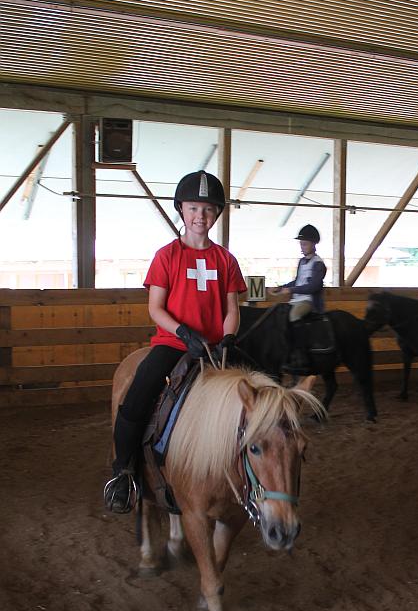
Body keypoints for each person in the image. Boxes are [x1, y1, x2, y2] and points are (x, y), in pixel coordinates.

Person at [103, 170, 247, 514]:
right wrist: (183, 333)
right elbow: (155, 307)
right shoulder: (166, 256)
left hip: (214, 348)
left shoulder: (226, 260)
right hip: (173, 343)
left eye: (208, 209)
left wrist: (228, 337)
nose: (200, 216)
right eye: (194, 208)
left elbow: (231, 309)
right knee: (137, 397)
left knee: (256, 394)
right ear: (181, 210)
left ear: (217, 213)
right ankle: (123, 473)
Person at [270, 224, 327, 373]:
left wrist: (291, 290)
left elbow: (314, 286)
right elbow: (297, 281)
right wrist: (281, 287)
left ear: (313, 244)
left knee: (294, 315)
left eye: (305, 244)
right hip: (296, 299)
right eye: (301, 244)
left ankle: (301, 353)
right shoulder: (302, 262)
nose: (302, 247)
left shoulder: (318, 264)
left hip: (309, 301)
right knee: (280, 314)